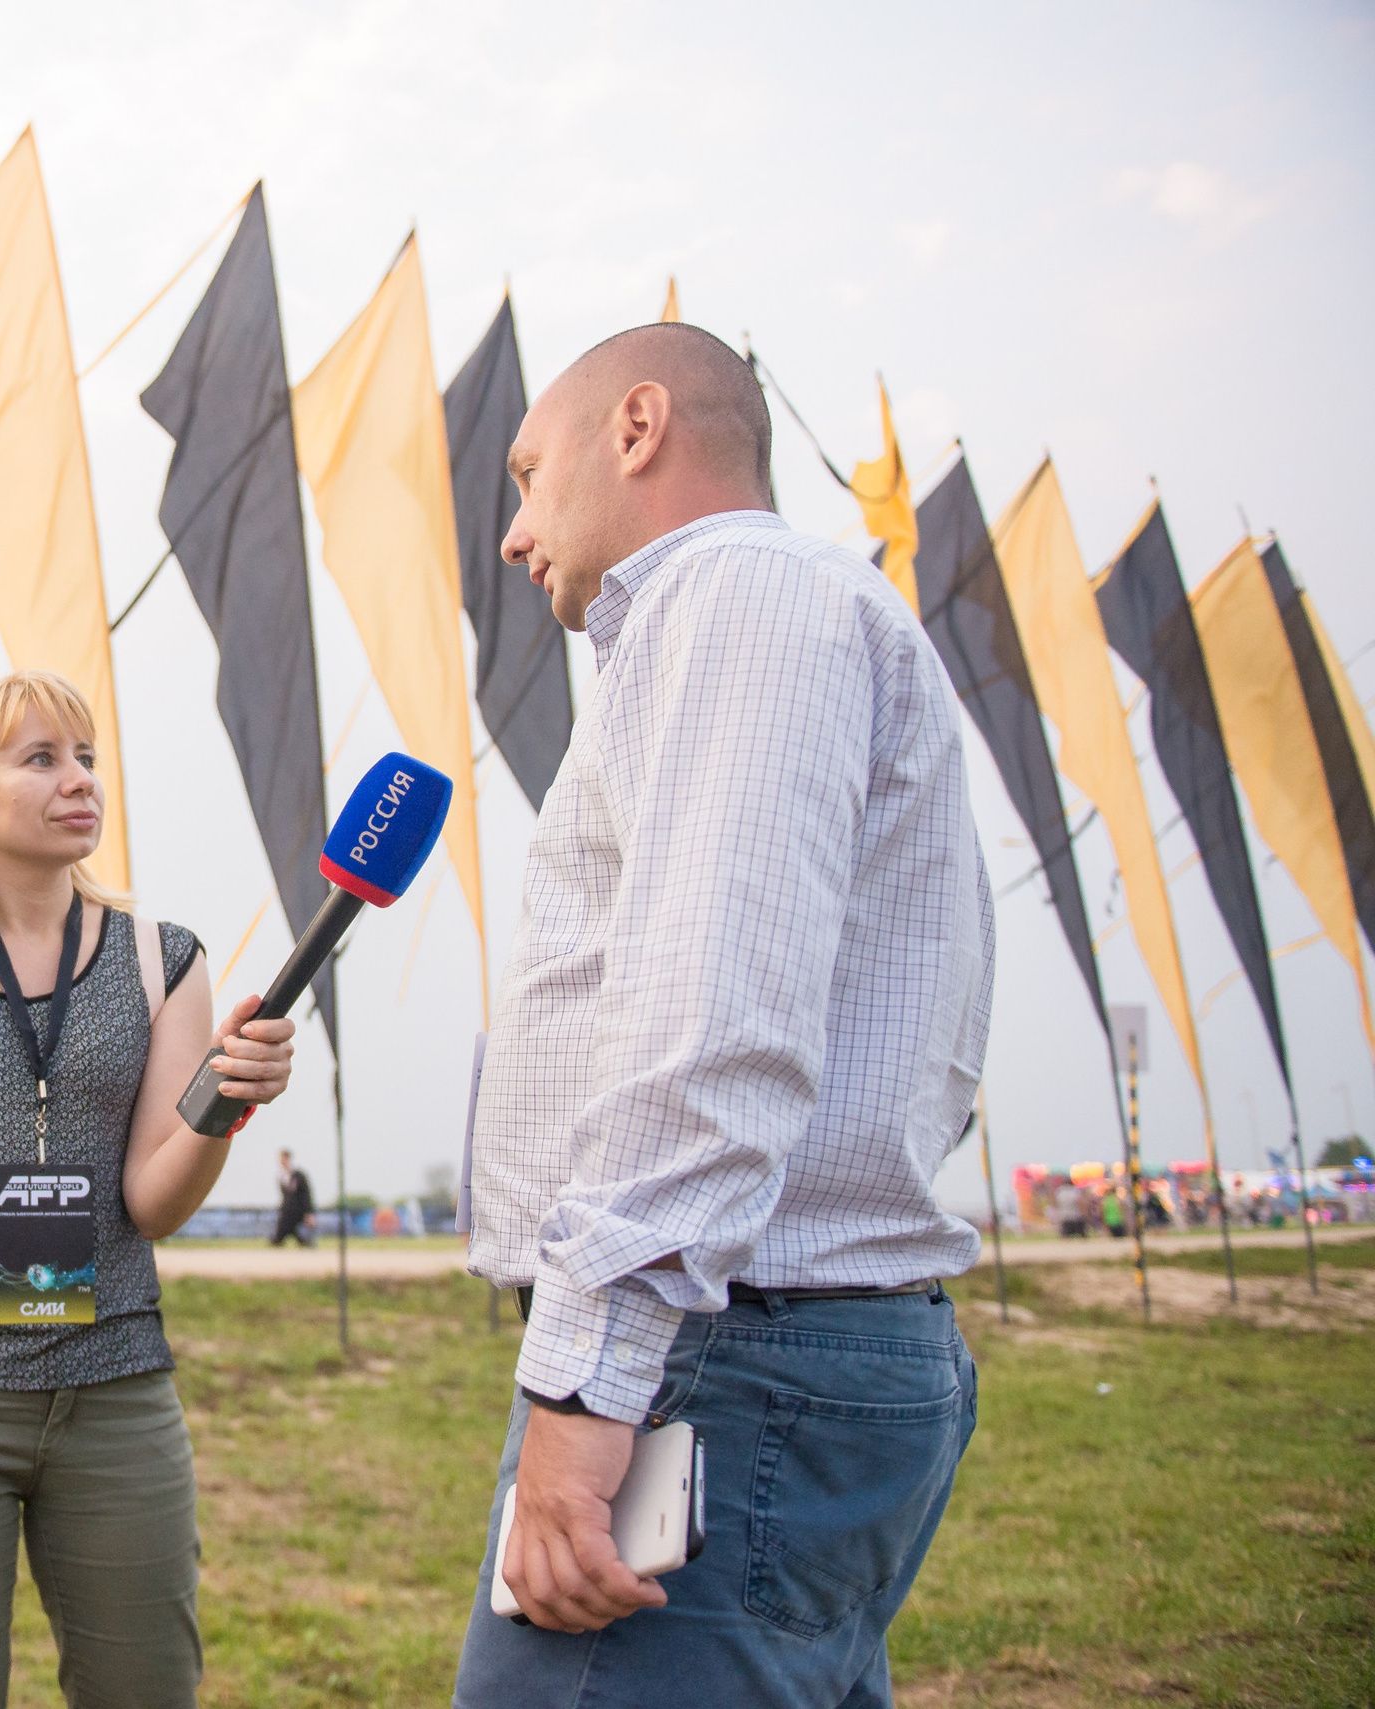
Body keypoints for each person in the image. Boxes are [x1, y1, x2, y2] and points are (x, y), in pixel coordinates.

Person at [457, 324, 988, 1706]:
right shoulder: (803, 607)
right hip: (775, 1359)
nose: (516, 535)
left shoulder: (736, 596)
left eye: (526, 475)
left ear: (636, 428)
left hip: (718, 1364)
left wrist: (583, 1407)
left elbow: (707, 1024)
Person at [0, 670, 297, 1708]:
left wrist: (223, 1103)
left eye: (86, 758)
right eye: (41, 758)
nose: (79, 780)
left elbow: (153, 1200)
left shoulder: (164, 961)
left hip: (114, 1395)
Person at [272, 1148, 316, 1247]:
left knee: (301, 1238)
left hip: (298, 1212)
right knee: (277, 1239)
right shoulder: (281, 1175)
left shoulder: (298, 1175)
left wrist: (309, 1212)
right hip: (286, 1212)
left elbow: (306, 1195)